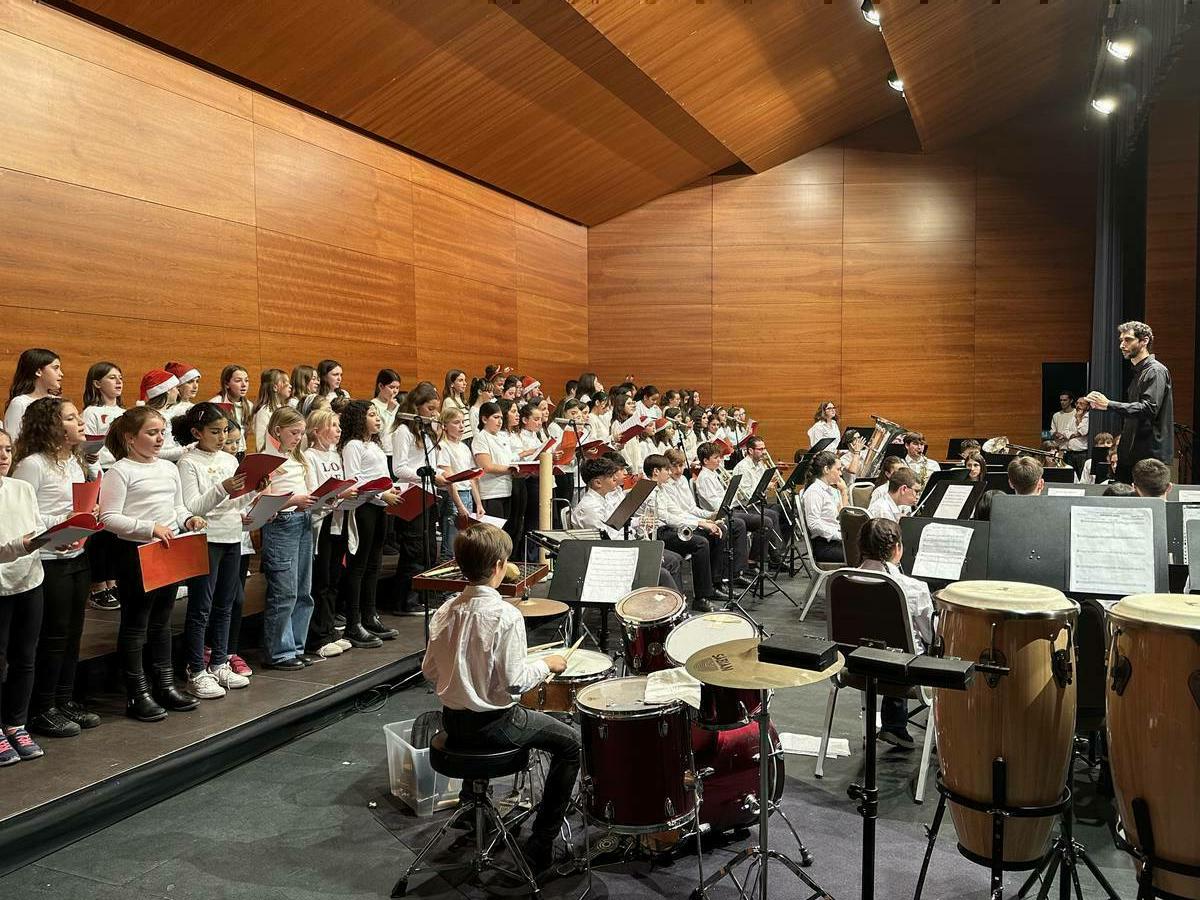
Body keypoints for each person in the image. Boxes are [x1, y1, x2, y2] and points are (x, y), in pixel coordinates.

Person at [422, 524, 580, 876]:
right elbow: (514, 683)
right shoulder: (506, 615)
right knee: (571, 744)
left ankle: (471, 805)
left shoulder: (445, 610)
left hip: (452, 721)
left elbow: (430, 669)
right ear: (498, 566)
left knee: (476, 701)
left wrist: (465, 679)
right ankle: (541, 843)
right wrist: (546, 663)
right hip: (495, 726)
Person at [99, 407, 207, 720]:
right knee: (136, 624)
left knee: (162, 621)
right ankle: (137, 693)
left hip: (166, 550)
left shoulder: (167, 468)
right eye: (151, 433)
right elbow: (108, 518)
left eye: (162, 433)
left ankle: (165, 684)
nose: (159, 439)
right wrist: (149, 528)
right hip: (135, 554)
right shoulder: (121, 471)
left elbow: (176, 507)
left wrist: (188, 519)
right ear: (130, 438)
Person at [12, 398, 101, 737]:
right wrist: (61, 524)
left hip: (75, 555)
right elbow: (24, 513)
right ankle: (43, 707)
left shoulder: (74, 461)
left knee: (74, 632)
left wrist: (83, 520)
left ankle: (64, 699)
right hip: (49, 560)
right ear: (51, 425)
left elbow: (74, 505)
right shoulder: (33, 464)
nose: (80, 422)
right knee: (53, 635)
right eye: (71, 417)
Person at [175, 403, 254, 699]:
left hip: (232, 535)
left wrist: (254, 489)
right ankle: (196, 669)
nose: (222, 438)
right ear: (197, 432)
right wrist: (223, 487)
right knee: (201, 607)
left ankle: (219, 661)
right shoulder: (188, 462)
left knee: (226, 603)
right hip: (205, 539)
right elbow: (193, 506)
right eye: (215, 432)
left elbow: (236, 504)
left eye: (225, 432)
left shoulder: (228, 459)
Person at [857, 519, 933, 750]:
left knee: (888, 642)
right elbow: (930, 636)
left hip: (857, 665)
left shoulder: (841, 578)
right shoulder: (912, 588)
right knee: (929, 646)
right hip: (901, 672)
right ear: (897, 548)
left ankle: (895, 724)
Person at [0, 426, 49, 763]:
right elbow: (17, 543)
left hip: (30, 582)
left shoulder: (22, 487)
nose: (3, 456)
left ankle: (16, 723)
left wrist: (64, 533)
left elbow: (37, 527)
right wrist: (21, 546)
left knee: (25, 657)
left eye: (6, 449)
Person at [257, 407, 319, 669]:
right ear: (277, 430)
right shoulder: (266, 459)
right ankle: (279, 652)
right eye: (294, 432)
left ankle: (295, 646)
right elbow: (263, 501)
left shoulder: (297, 457)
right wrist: (294, 500)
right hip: (282, 524)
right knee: (285, 592)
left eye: (301, 433)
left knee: (303, 590)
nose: (298, 438)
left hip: (302, 522)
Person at [339, 401, 404, 639]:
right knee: (359, 565)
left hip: (379, 507)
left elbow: (383, 476)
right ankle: (353, 622)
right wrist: (380, 493)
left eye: (377, 415)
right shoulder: (353, 445)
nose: (377, 419)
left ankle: (370, 615)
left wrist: (392, 490)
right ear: (358, 418)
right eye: (371, 414)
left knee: (374, 564)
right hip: (363, 507)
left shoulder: (374, 445)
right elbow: (353, 480)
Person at [570, 456, 683, 593]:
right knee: (664, 571)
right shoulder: (590, 508)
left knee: (673, 560)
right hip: (607, 560)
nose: (615, 478)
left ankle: (671, 607)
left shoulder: (603, 499)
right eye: (611, 476)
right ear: (598, 483)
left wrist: (638, 522)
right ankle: (670, 607)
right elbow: (607, 541)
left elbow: (618, 523)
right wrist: (643, 551)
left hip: (619, 549)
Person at [1086, 320, 1174, 483]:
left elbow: (1149, 408)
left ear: (1144, 340)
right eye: (1121, 340)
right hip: (1132, 452)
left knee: (1145, 503)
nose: (1121, 345)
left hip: (1148, 455)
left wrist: (1109, 404)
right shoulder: (1140, 373)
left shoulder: (1155, 371)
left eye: (1127, 340)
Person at [801, 450, 847, 562]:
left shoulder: (832, 490)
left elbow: (840, 516)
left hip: (835, 540)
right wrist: (838, 535)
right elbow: (813, 524)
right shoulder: (814, 492)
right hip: (825, 545)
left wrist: (844, 491)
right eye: (838, 469)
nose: (840, 473)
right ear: (826, 469)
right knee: (865, 555)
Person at [1051, 395, 1089, 475]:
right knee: (1069, 476)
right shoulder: (1074, 416)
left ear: (1088, 406)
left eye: (1081, 404)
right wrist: (1075, 434)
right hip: (1070, 452)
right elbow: (1066, 431)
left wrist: (1079, 418)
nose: (1078, 405)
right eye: (1077, 403)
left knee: (1080, 476)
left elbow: (1083, 431)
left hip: (1081, 453)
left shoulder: (1087, 417)